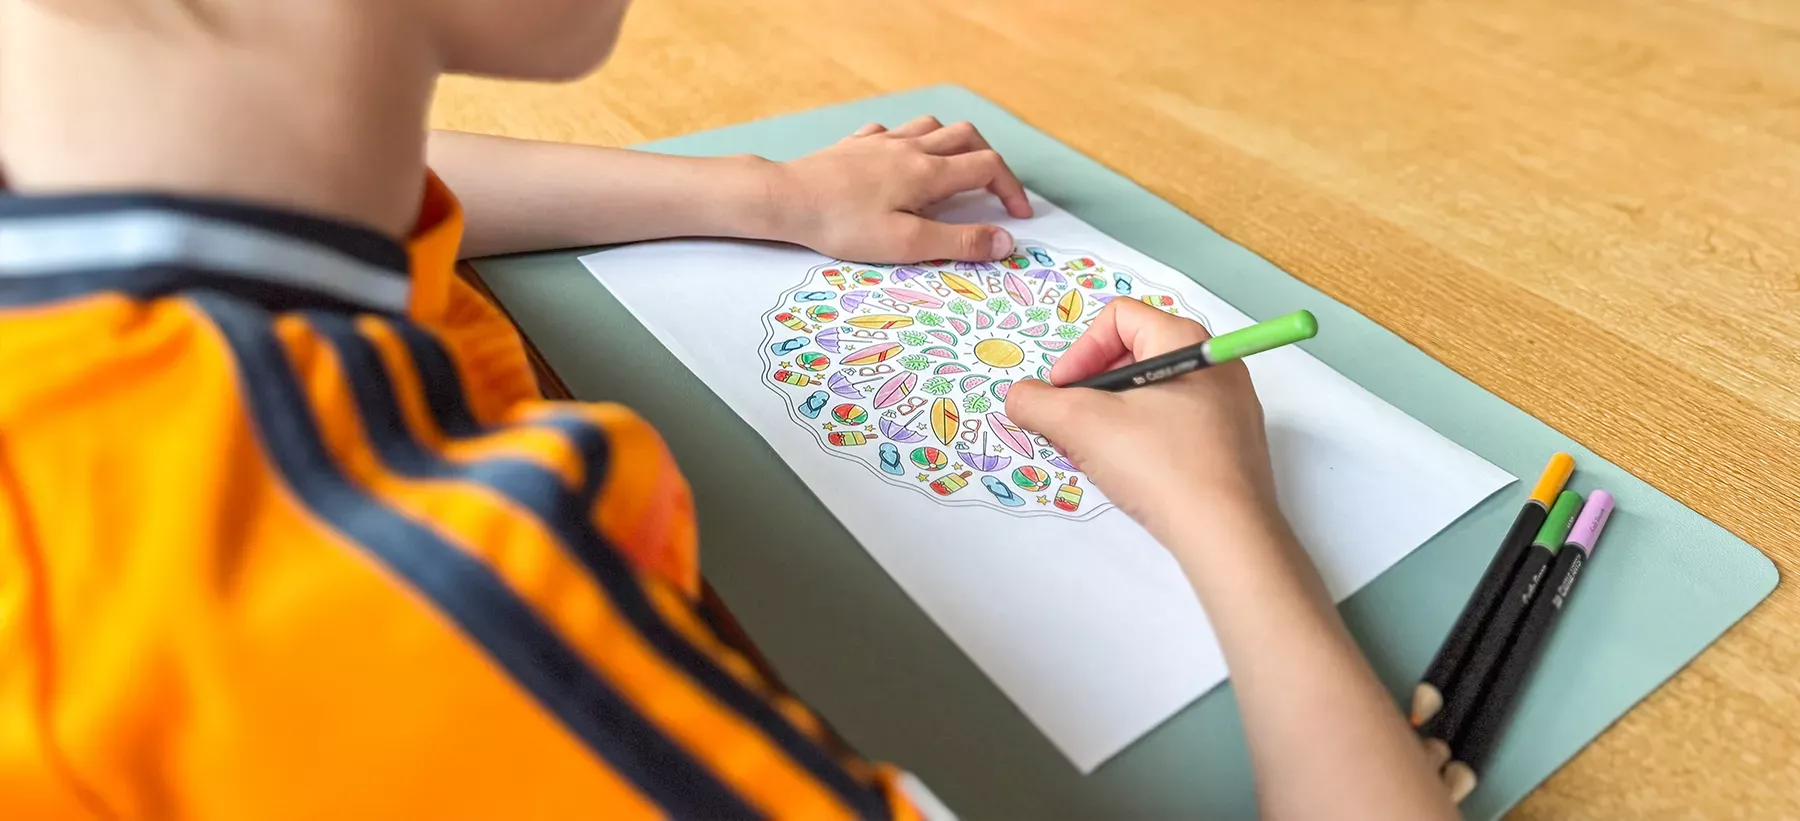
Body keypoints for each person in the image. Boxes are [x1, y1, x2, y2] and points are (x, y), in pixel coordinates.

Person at [0, 0, 1454, 819]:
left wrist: (766, 198)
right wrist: (1226, 521)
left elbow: (376, 162)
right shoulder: (382, 611)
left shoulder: (114, 139)